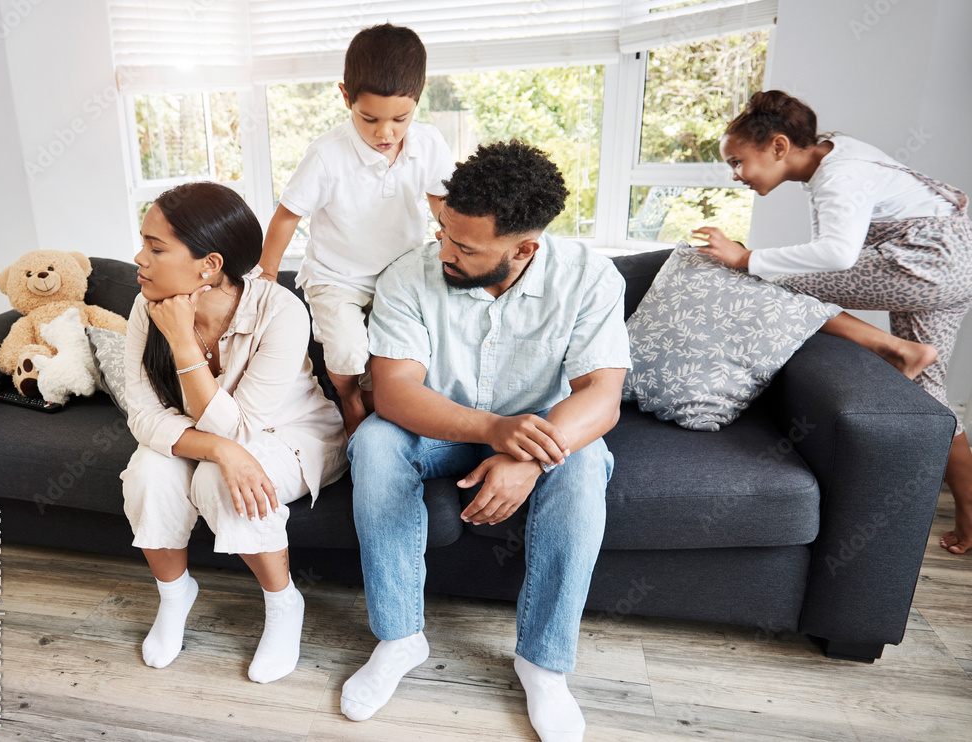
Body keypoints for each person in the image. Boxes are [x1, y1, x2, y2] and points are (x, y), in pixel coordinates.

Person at [339, 140, 630, 742]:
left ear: (525, 248)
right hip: (438, 430)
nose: (443, 249)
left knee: (584, 462)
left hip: (542, 434)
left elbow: (600, 397)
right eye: (442, 231)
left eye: (464, 247)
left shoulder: (589, 277)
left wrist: (523, 455)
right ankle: (399, 639)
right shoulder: (409, 276)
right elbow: (393, 393)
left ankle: (542, 666)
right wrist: (497, 432)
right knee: (373, 440)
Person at [692, 89, 972, 554]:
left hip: (926, 263)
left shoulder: (838, 175)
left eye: (738, 162)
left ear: (779, 146)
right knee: (932, 397)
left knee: (772, 280)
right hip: (954, 261)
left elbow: (838, 255)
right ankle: (970, 515)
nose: (736, 174)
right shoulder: (833, 153)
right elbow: (836, 244)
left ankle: (896, 349)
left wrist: (747, 258)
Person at [121, 182, 349, 683]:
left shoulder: (281, 310)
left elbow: (245, 429)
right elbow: (142, 416)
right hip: (209, 437)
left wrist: (183, 343)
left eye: (156, 248)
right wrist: (221, 449)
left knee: (219, 480)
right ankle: (175, 594)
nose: (139, 258)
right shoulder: (145, 305)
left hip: (293, 435)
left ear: (209, 266)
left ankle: (284, 602)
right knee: (146, 473)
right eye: (143, 242)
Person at [257, 23, 455, 437]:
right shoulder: (327, 155)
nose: (386, 133)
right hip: (338, 276)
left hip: (400, 276)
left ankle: (372, 403)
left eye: (401, 118)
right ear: (346, 96)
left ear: (418, 99)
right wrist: (268, 278)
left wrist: (448, 227)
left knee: (394, 364)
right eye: (370, 118)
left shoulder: (429, 143)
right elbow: (287, 216)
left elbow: (438, 196)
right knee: (348, 353)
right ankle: (346, 399)